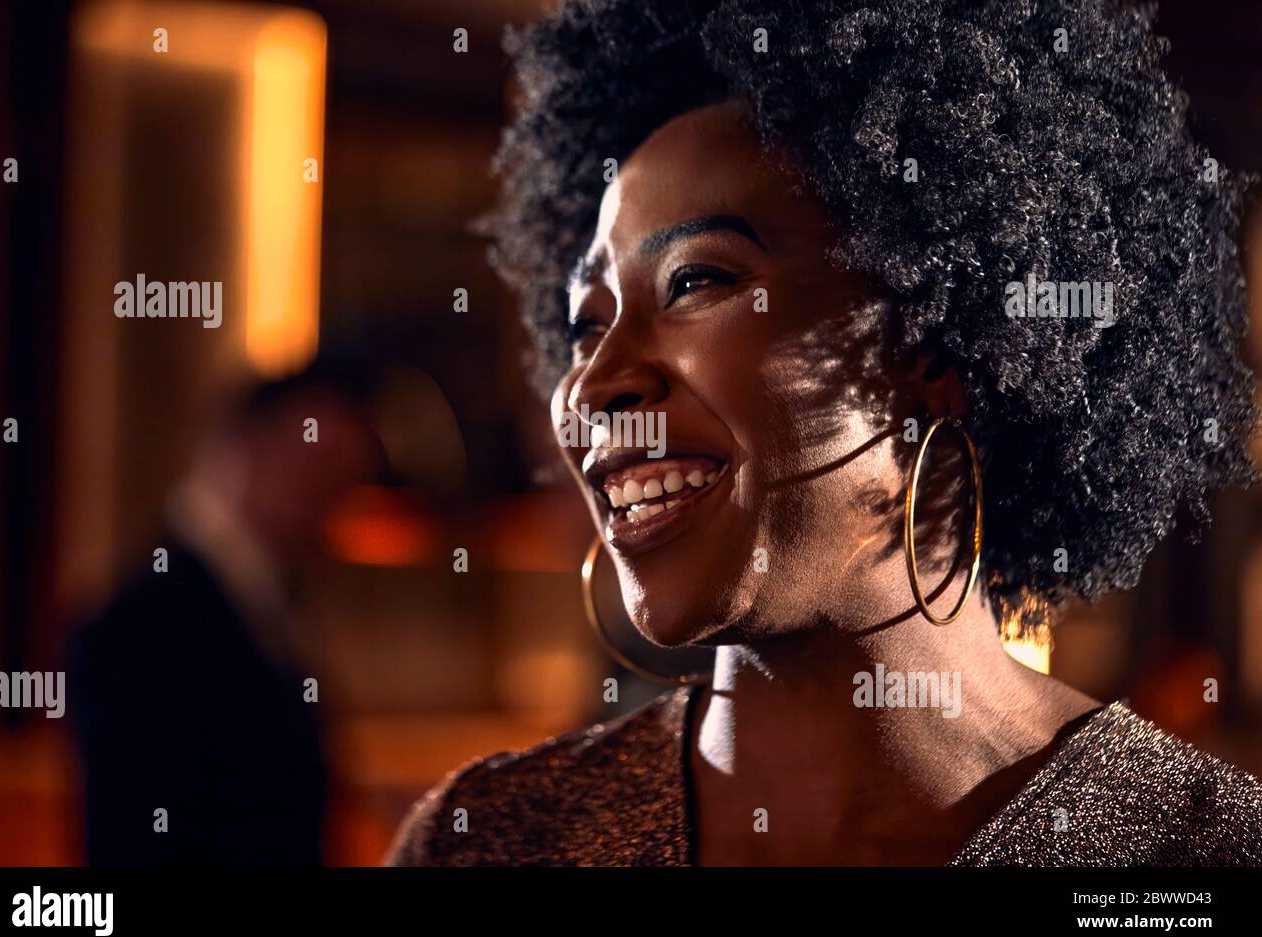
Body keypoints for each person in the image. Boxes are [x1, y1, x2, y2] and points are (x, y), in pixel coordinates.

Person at [391, 0, 1262, 866]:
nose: (595, 383)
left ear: (940, 346)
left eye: (694, 282)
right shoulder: (488, 841)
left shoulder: (1193, 856)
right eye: (586, 324)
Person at [71, 362, 384, 865]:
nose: (328, 509)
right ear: (245, 450)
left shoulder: (264, 600)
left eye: (342, 484)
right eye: (316, 474)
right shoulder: (147, 620)